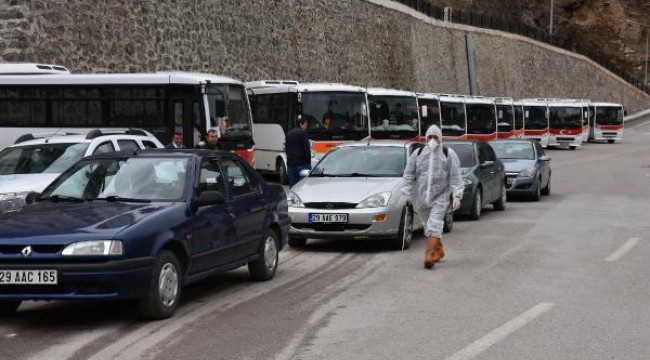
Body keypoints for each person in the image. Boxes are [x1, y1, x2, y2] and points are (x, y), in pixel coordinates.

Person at [402, 125, 464, 269]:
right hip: (421, 196)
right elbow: (409, 173)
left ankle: (429, 256)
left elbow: (455, 175)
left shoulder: (448, 153)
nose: (432, 140)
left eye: (435, 137)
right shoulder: (418, 153)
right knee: (428, 226)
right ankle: (439, 249)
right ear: (425, 137)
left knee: (434, 224)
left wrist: (457, 195)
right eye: (429, 137)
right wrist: (406, 192)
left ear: (440, 138)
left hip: (441, 196)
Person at [285, 119, 311, 187]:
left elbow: (287, 149)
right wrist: (308, 161)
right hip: (302, 164)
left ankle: (293, 197)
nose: (306, 127)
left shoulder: (288, 133)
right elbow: (306, 149)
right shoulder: (303, 133)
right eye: (305, 125)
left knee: (293, 186)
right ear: (300, 124)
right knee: (304, 185)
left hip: (291, 164)